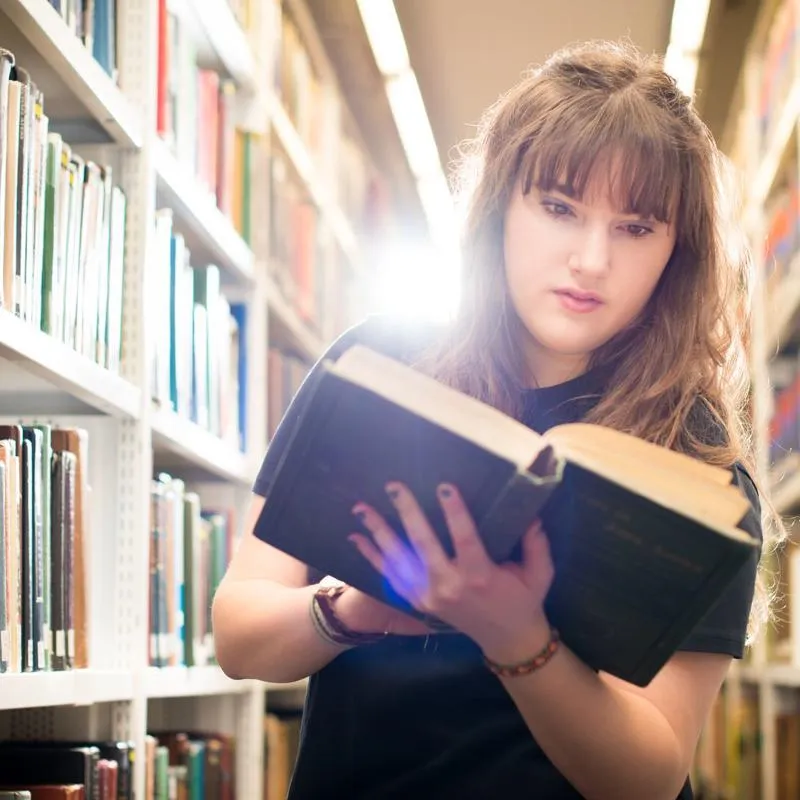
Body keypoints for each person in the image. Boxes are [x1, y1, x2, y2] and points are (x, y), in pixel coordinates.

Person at [212, 40, 776, 800]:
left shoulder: (699, 469)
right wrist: (360, 608)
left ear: (679, 252)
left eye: (636, 228)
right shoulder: (380, 369)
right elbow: (239, 634)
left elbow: (649, 775)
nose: (590, 259)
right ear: (500, 208)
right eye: (558, 208)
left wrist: (519, 640)